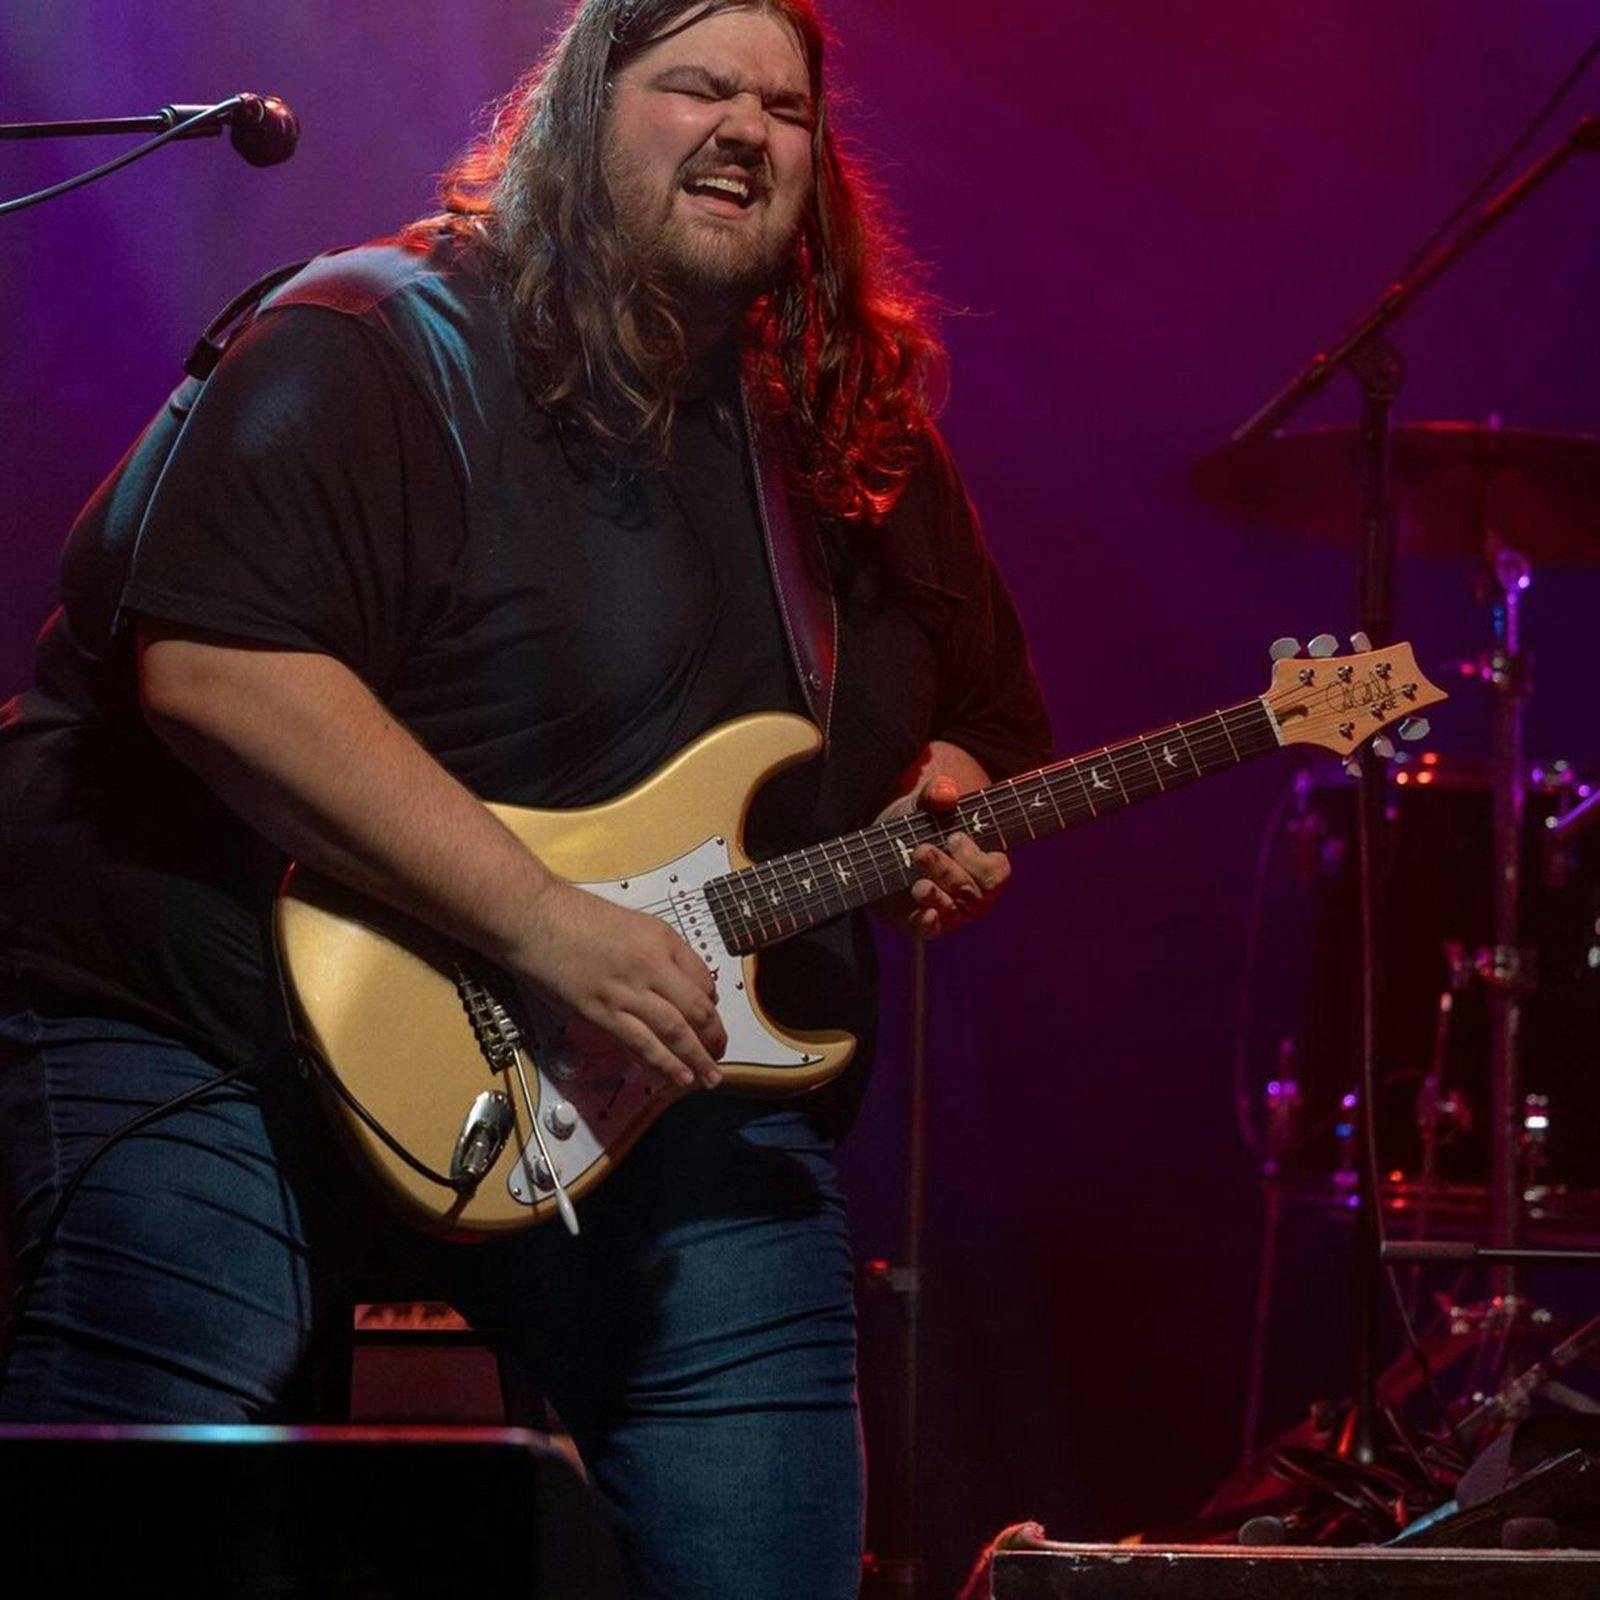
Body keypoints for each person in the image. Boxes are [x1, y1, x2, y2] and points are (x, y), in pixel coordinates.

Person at [0, 1, 1051, 1593]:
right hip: (213, 1015)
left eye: (786, 106)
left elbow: (983, 717)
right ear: (574, 112)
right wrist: (545, 922)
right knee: (141, 1511)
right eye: (696, 82)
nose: (748, 127)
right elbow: (217, 664)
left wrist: (951, 795)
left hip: (647, 1075)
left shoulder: (850, 436)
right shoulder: (379, 335)